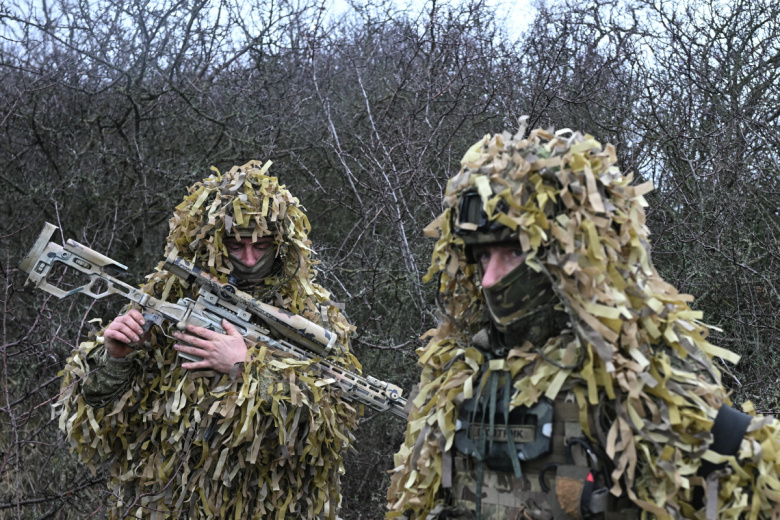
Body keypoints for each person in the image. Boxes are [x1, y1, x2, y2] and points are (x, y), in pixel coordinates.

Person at [386, 122, 780, 520]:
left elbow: (742, 472)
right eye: (484, 256)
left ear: (569, 258)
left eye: (513, 253)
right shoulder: (458, 373)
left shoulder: (635, 374)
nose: (490, 279)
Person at [56, 161, 360, 519]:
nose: (250, 260)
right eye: (236, 245)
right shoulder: (168, 295)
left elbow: (328, 431)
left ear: (281, 246)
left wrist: (245, 369)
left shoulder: (315, 320)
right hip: (164, 504)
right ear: (212, 243)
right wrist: (115, 359)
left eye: (261, 246)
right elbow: (97, 420)